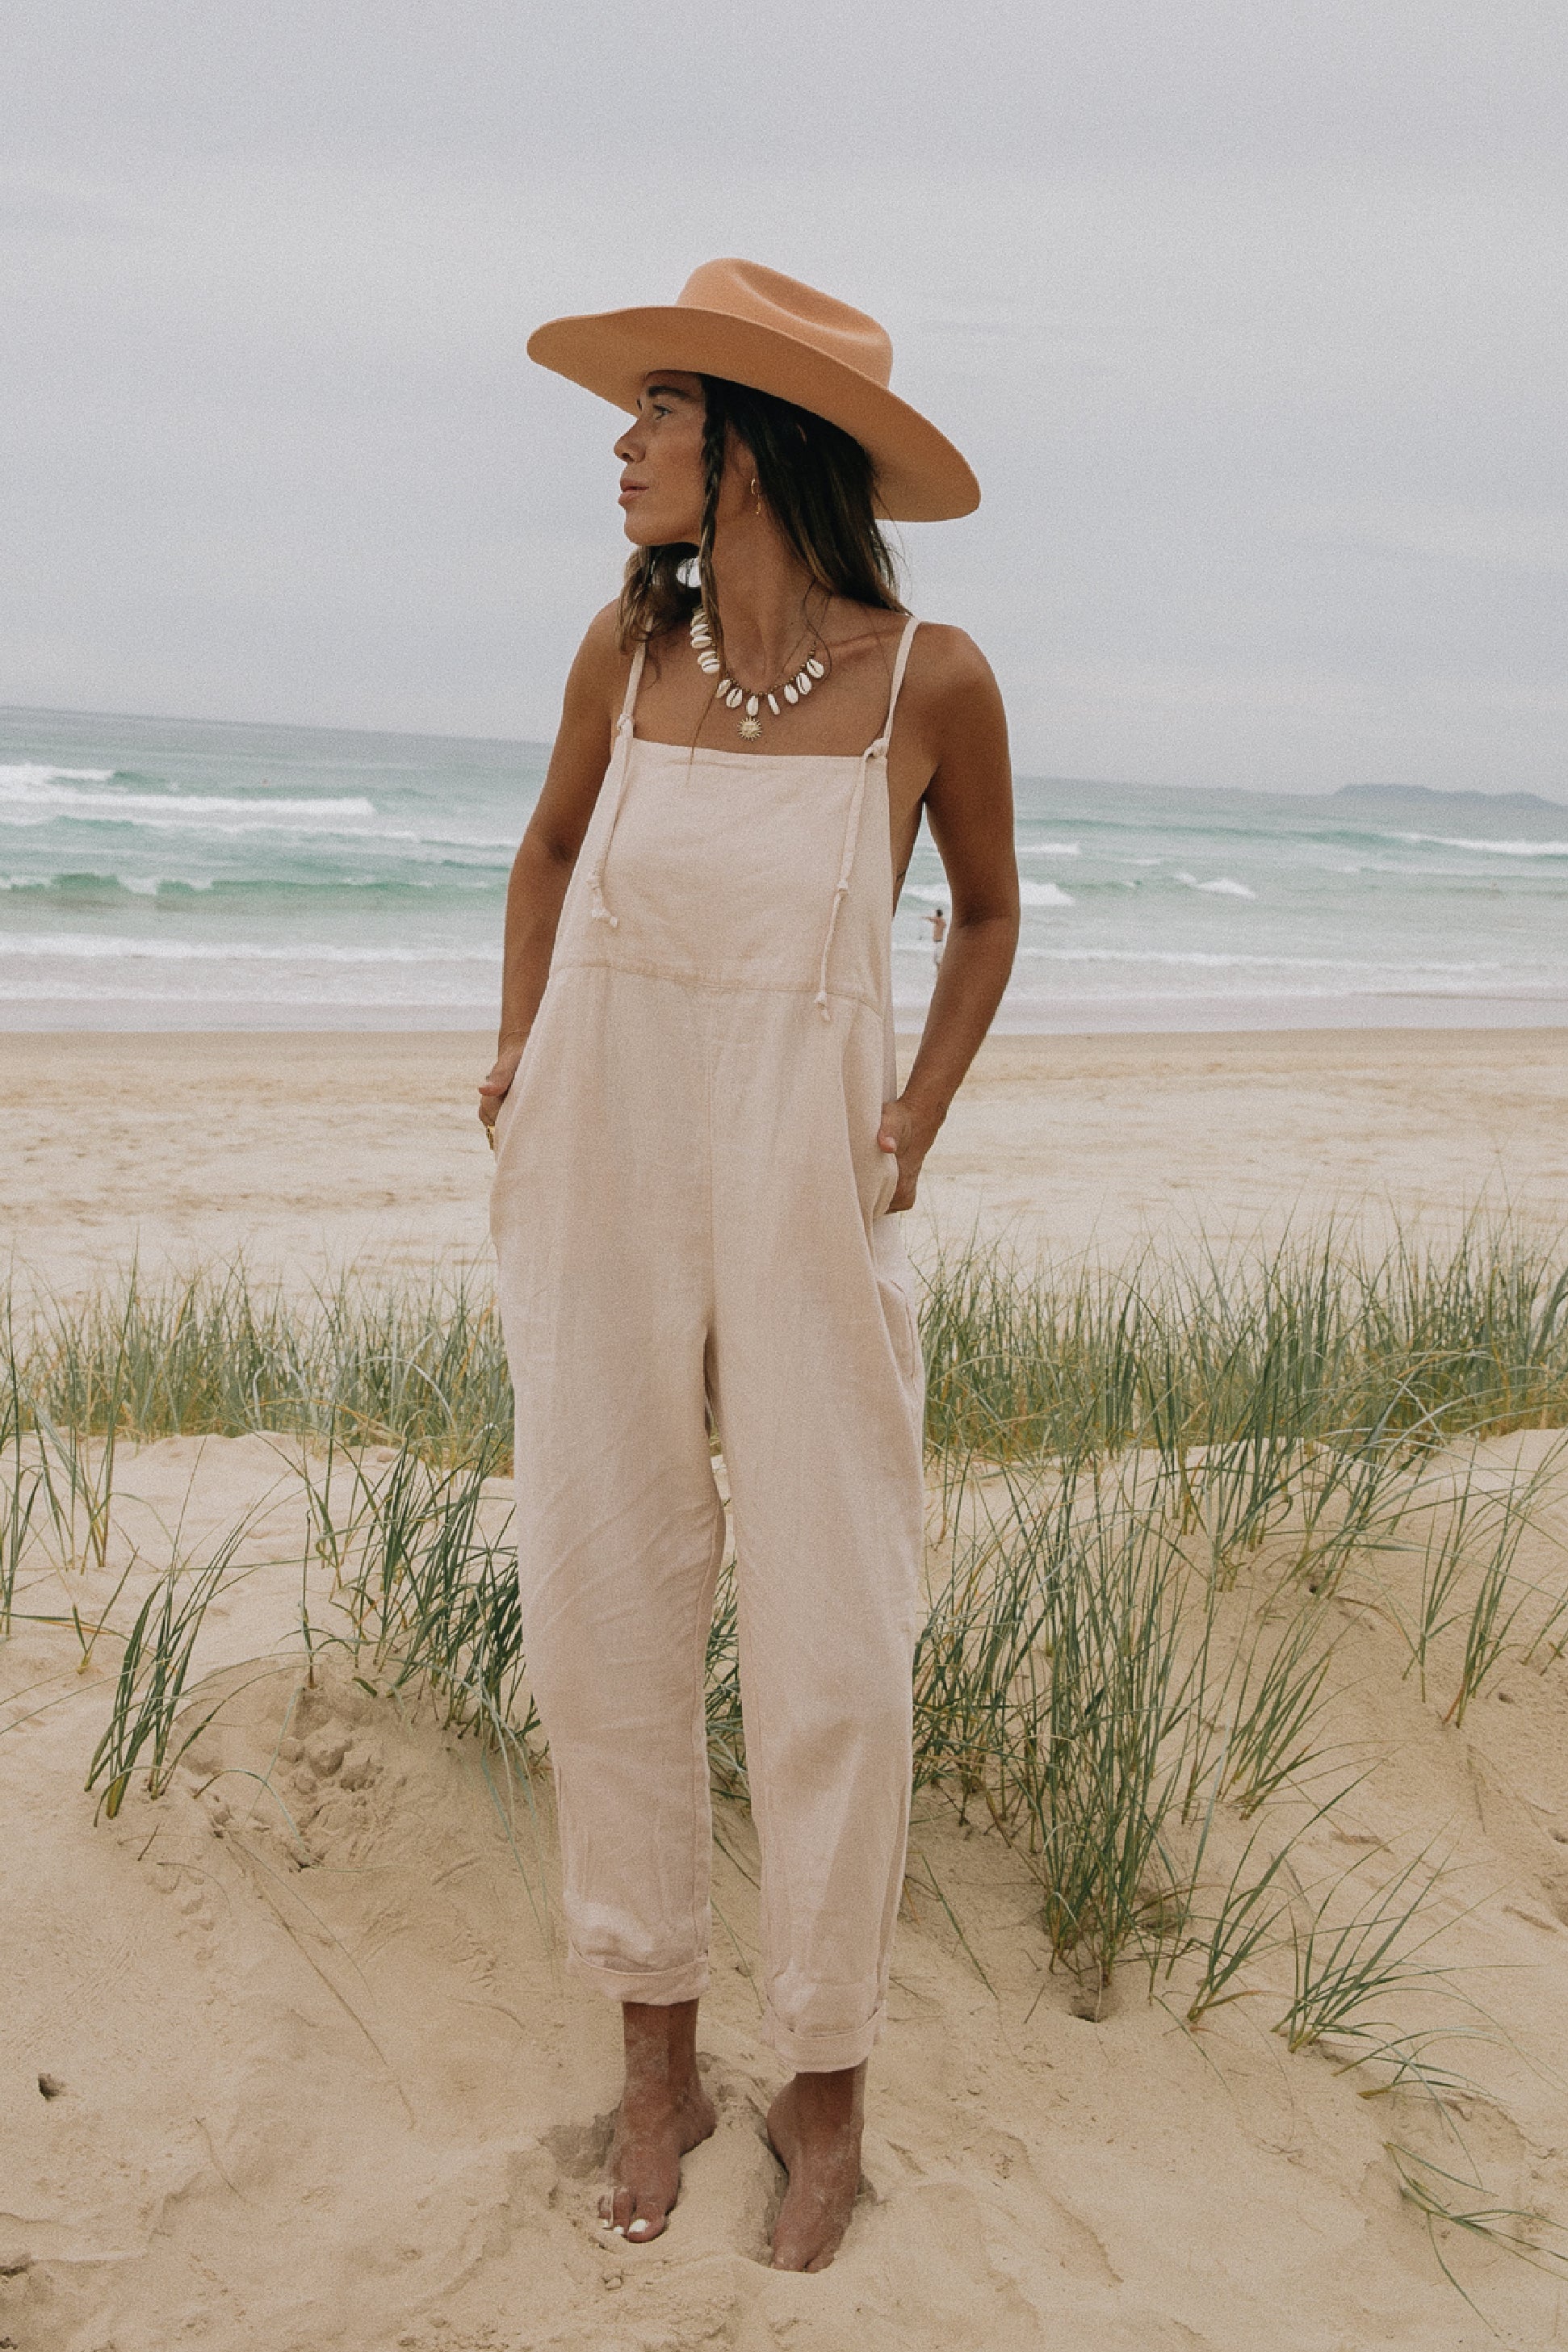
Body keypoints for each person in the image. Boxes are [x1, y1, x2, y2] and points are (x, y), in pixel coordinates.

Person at [480, 259, 1018, 2272]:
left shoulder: (927, 679)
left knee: (835, 1646)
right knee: (603, 1596)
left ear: (754, 445)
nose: (622, 449)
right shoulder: (624, 664)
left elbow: (981, 918)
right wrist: (524, 1055)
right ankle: (654, 2061)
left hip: (809, 1182)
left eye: (657, 417)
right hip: (601, 1165)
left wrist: (915, 1119)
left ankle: (824, 2085)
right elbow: (541, 854)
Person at [924, 903, 948, 972]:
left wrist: (926, 918)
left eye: (935, 913)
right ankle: (938, 972)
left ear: (937, 914)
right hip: (937, 943)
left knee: (939, 960)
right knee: (936, 960)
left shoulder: (940, 921)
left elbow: (934, 919)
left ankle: (940, 973)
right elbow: (936, 920)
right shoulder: (939, 922)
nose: (935, 915)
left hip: (939, 943)